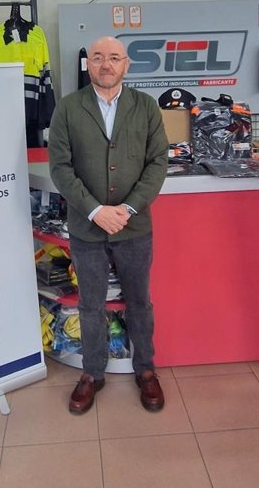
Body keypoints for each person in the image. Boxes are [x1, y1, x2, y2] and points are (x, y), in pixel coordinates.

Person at [48, 36, 169, 415]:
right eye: (98, 57)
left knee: (139, 302)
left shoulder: (146, 107)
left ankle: (145, 368)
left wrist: (128, 208)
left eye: (114, 58)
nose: (106, 64)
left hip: (134, 228)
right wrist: (94, 210)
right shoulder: (68, 108)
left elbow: (157, 163)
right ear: (88, 65)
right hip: (87, 228)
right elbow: (61, 168)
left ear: (126, 65)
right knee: (90, 304)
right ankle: (92, 373)